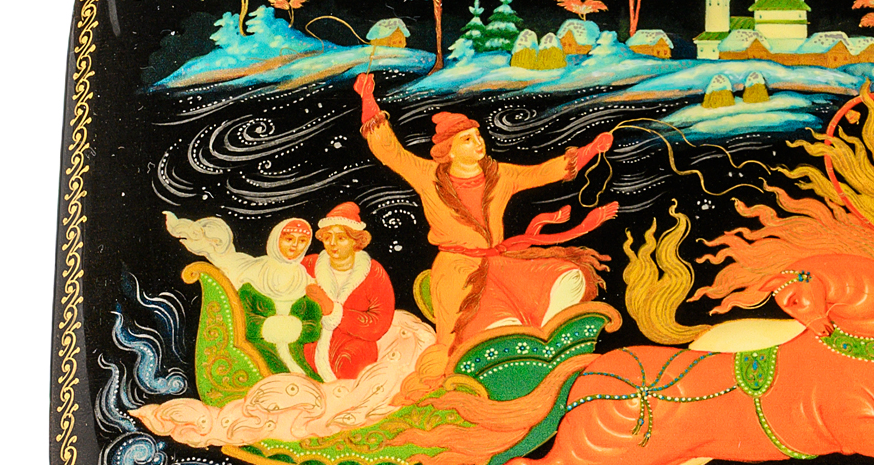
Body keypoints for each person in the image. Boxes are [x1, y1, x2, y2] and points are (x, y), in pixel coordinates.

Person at [354, 73, 617, 388]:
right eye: (467, 139)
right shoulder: (428, 176)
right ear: (450, 150)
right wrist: (368, 99)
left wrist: (591, 150)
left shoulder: (500, 175)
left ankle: (546, 342)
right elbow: (390, 151)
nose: (478, 142)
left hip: (499, 263)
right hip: (457, 271)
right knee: (477, 333)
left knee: (569, 277)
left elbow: (543, 171)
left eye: (477, 136)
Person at [164, 211, 322, 376]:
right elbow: (243, 320)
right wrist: (270, 328)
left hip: (297, 356)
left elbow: (313, 324)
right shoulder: (256, 273)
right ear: (276, 240)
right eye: (289, 239)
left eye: (302, 241)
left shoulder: (306, 279)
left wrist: (298, 329)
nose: (295, 246)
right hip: (258, 352)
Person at [302, 202, 396, 382]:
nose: (332, 243)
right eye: (327, 237)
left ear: (356, 241)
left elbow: (379, 323)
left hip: (354, 359)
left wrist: (333, 311)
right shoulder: (309, 265)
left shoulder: (373, 273)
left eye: (341, 238)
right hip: (310, 356)